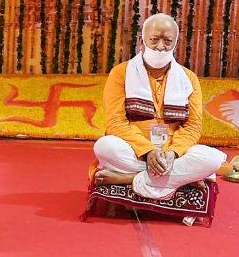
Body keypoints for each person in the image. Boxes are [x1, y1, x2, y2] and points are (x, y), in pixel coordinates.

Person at [93, 13, 226, 199]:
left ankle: (128, 178)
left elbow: (193, 126)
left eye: (167, 41)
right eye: (154, 40)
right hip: (135, 150)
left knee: (212, 159)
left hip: (174, 153)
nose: (161, 47)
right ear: (142, 41)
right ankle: (182, 178)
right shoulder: (121, 73)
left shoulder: (189, 78)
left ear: (175, 44)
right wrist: (147, 151)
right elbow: (116, 122)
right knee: (104, 146)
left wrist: (173, 152)